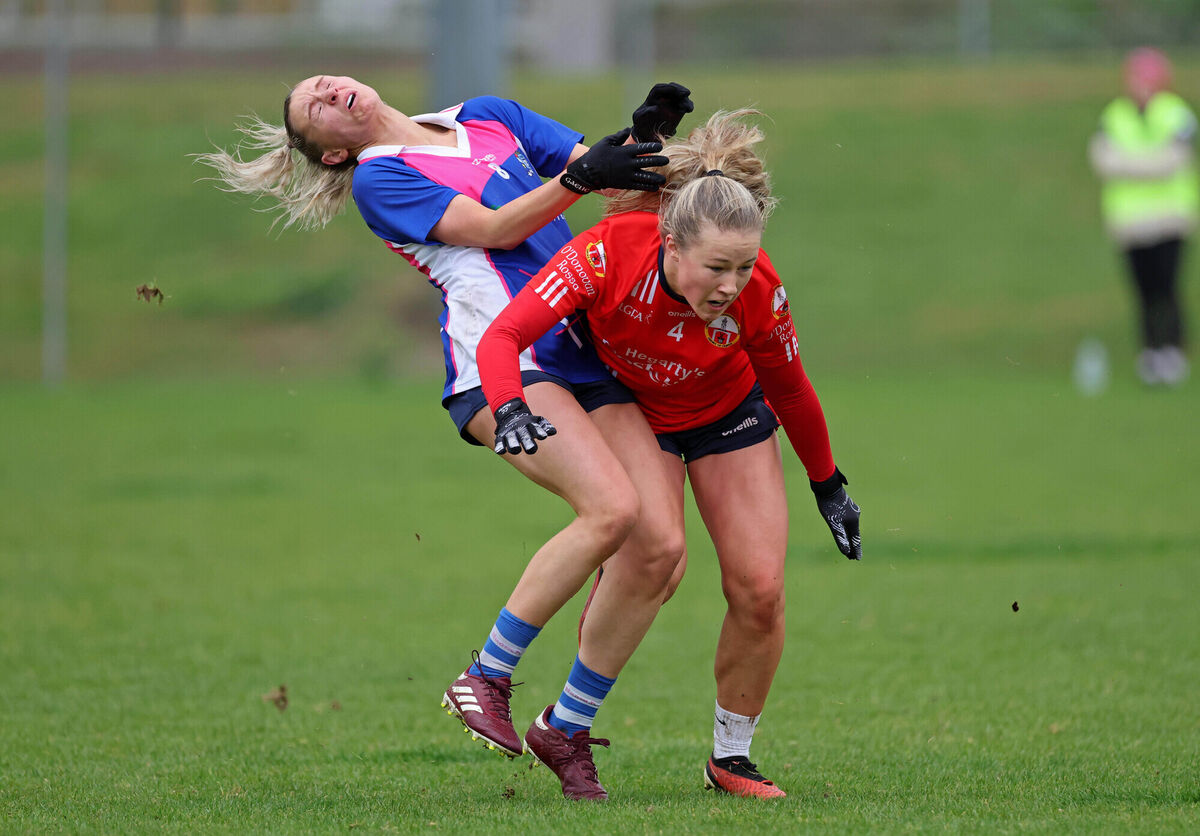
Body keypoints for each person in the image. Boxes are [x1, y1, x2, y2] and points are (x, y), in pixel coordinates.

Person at [196, 77, 696, 772]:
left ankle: (566, 725)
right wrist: (584, 176)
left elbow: (611, 176)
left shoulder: (489, 116)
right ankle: (486, 676)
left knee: (661, 552)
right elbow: (499, 228)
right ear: (333, 157)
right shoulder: (381, 181)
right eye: (313, 106)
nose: (328, 90)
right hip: (505, 362)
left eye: (324, 81)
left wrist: (647, 140)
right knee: (610, 511)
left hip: (582, 348)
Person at [477, 110, 862, 800]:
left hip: (728, 418)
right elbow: (504, 335)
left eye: (744, 265)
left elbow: (792, 392)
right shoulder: (606, 254)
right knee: (657, 549)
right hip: (635, 416)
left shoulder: (760, 293)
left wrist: (828, 485)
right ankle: (555, 714)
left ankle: (730, 759)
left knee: (761, 590)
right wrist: (508, 406)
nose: (731, 284)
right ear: (672, 246)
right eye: (717, 267)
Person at [1089, 47, 1198, 386]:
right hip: (1130, 221)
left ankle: (1174, 352)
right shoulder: (1115, 114)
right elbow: (1103, 160)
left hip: (1170, 218)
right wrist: (1150, 163)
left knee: (1168, 287)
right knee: (1143, 291)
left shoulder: (1177, 113)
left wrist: (1130, 164)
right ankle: (1150, 353)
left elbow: (1175, 160)